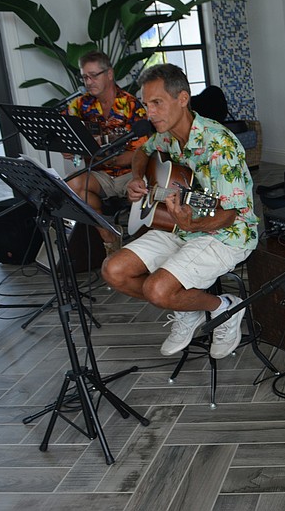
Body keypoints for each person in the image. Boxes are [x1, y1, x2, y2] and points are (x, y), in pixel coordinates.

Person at [101, 63, 259, 359]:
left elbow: (231, 213)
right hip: (178, 226)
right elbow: (141, 153)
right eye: (147, 105)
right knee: (114, 271)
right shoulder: (167, 136)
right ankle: (186, 309)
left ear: (182, 99)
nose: (149, 113)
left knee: (157, 291)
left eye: (157, 103)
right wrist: (138, 179)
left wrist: (193, 226)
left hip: (226, 234)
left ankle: (225, 307)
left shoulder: (219, 145)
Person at [63, 51, 148, 255]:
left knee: (147, 189)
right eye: (85, 77)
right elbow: (65, 138)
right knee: (72, 185)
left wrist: (107, 157)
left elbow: (143, 152)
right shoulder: (79, 105)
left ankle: (141, 251)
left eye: (94, 75)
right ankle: (109, 237)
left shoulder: (132, 105)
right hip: (101, 175)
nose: (89, 82)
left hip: (131, 173)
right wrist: (68, 148)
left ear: (109, 74)